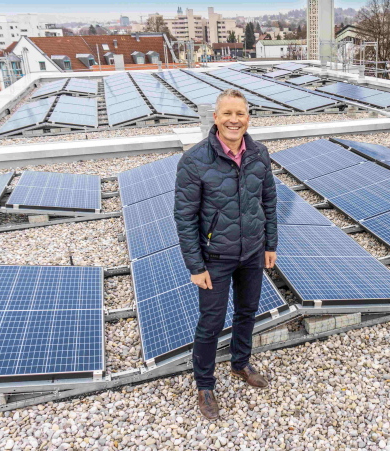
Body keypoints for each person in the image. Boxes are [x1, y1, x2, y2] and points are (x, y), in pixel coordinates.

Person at [174, 89, 278, 420]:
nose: (235, 120)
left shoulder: (259, 154)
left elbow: (269, 202)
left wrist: (270, 244)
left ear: (248, 118)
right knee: (211, 323)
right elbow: (185, 217)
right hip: (214, 258)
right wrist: (195, 264)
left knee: (247, 312)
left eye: (241, 114)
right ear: (216, 118)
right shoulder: (194, 160)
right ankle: (205, 386)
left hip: (251, 253)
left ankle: (240, 363)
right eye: (228, 114)